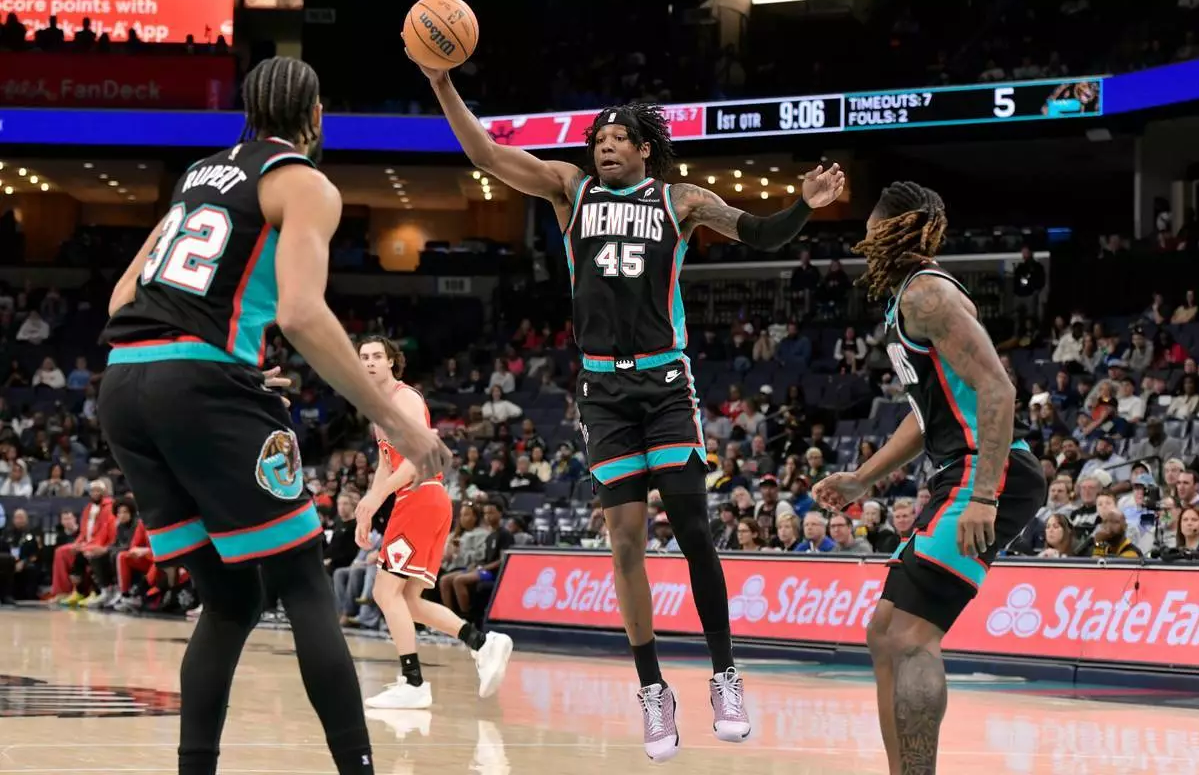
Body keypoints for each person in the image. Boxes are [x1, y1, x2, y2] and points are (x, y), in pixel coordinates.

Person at [410, 50, 844, 761]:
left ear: (644, 149)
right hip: (602, 391)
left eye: (618, 139)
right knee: (624, 543)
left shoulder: (681, 201)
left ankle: (725, 675)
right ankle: (653, 689)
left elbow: (762, 233)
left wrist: (805, 206)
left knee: (694, 530)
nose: (605, 146)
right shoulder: (569, 190)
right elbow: (486, 153)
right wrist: (441, 82)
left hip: (665, 382)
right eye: (599, 139)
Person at [97, 57, 450, 775]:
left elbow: (121, 298)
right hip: (198, 387)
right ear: (316, 116)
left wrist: (215, 357)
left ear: (248, 114)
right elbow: (299, 313)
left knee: (229, 599)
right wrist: (397, 421)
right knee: (303, 583)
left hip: (124, 384)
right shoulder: (303, 182)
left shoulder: (198, 175)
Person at [813, 182, 1045, 775]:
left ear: (892, 229)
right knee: (883, 632)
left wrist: (985, 496)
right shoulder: (906, 300)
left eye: (870, 227)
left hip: (985, 470)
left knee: (911, 638)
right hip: (961, 469)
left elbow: (998, 389)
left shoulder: (928, 295)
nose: (864, 240)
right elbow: (925, 417)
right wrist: (862, 479)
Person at [352, 336, 513, 709]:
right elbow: (386, 465)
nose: (370, 362)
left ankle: (413, 684)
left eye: (377, 356)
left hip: (421, 497)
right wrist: (368, 505)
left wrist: (377, 497)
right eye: (364, 357)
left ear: (391, 362)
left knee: (385, 592)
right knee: (408, 600)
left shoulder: (405, 398)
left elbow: (418, 459)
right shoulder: (378, 410)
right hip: (417, 501)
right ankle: (482, 643)